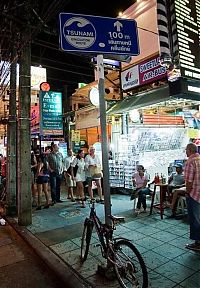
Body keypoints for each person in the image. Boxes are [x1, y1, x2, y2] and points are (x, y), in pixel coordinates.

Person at [184, 143, 200, 251]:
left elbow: (189, 182)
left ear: (189, 150)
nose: (185, 152)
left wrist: (187, 192)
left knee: (195, 220)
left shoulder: (190, 162)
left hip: (194, 195)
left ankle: (197, 243)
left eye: (186, 150)